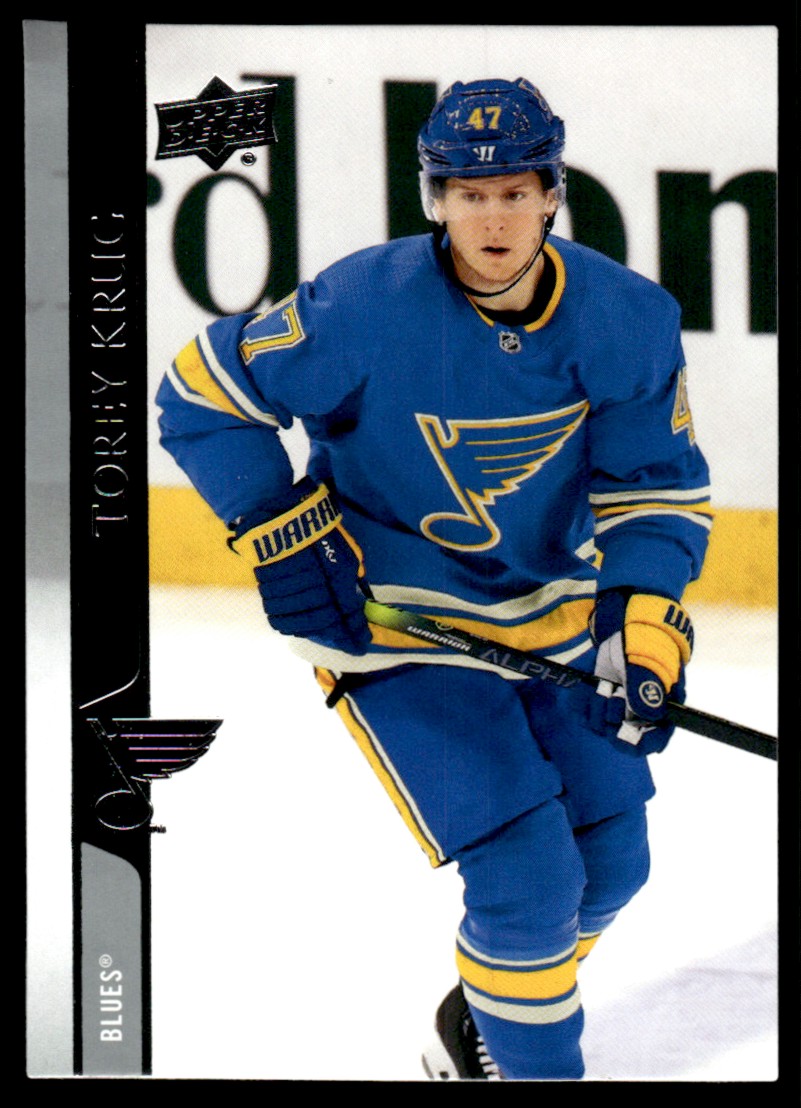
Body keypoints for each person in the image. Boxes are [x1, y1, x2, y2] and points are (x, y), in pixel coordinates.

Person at [156, 78, 711, 1080]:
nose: (491, 218)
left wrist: (641, 623)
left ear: (552, 194)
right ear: (435, 199)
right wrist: (279, 530)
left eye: (514, 192)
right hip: (395, 629)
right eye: (468, 192)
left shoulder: (627, 318)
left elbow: (654, 488)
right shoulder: (363, 307)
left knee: (613, 862)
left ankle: (488, 1018)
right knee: (527, 884)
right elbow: (200, 392)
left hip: (551, 622)